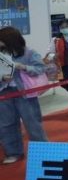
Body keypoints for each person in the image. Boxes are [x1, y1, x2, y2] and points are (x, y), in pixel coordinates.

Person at [0, 27, 49, 163]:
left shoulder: (29, 53)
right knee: (6, 124)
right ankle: (13, 153)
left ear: (10, 40)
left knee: (33, 122)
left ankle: (43, 152)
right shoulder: (1, 54)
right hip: (4, 92)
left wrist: (24, 67)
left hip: (25, 92)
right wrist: (3, 78)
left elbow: (41, 68)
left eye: (1, 40)